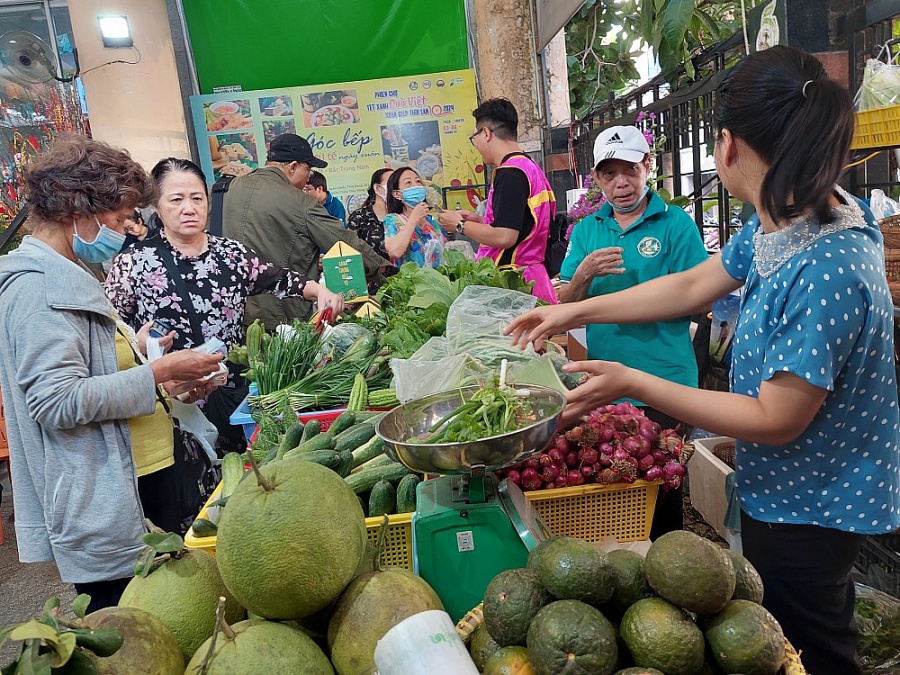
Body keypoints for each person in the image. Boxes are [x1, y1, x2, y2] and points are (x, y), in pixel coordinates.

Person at [507, 45, 900, 675]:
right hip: (785, 485)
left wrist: (633, 381)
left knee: (811, 645)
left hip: (816, 501)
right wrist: (572, 311)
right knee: (782, 632)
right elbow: (692, 286)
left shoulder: (829, 264)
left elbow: (778, 417)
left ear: (729, 145)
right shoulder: (780, 219)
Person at [0, 136, 224, 611]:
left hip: (141, 477)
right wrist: (159, 371)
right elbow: (56, 401)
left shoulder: (68, 271)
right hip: (104, 496)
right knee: (132, 626)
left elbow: (98, 373)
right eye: (121, 217)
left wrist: (163, 380)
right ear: (79, 210)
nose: (127, 229)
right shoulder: (38, 290)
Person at [105, 158, 344, 455]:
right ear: (156, 206)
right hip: (171, 402)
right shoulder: (133, 262)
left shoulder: (230, 253)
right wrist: (139, 345)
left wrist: (319, 290)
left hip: (229, 392)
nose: (189, 208)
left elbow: (278, 279)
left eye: (197, 198)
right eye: (176, 199)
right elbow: (109, 336)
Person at [559, 124, 708, 537]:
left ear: (648, 166)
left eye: (630, 169)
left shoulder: (676, 224)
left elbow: (702, 300)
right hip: (605, 383)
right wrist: (584, 274)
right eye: (610, 173)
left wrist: (646, 299)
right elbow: (565, 309)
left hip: (666, 380)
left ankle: (669, 572)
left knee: (662, 489)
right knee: (613, 486)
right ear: (598, 179)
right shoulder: (587, 231)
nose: (621, 183)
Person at [221, 133, 390, 327]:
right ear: (293, 167)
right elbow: (341, 240)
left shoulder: (223, 190)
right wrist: (380, 269)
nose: (307, 179)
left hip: (227, 314)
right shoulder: (299, 202)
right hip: (277, 316)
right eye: (307, 170)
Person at [437, 97, 558, 304]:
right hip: (532, 278)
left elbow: (504, 237)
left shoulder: (510, 172)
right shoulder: (529, 166)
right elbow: (521, 227)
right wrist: (480, 220)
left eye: (473, 136)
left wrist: (459, 225)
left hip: (515, 284)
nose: (474, 143)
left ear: (485, 133)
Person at [383, 167, 448, 268]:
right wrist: (413, 219)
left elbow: (446, 252)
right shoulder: (393, 220)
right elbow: (394, 252)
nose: (416, 185)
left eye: (418, 181)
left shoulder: (433, 220)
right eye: (408, 182)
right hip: (411, 281)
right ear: (397, 194)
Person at [347, 168, 393, 260]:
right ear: (378, 188)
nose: (396, 186)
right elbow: (349, 252)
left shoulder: (403, 216)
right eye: (391, 182)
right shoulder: (359, 217)